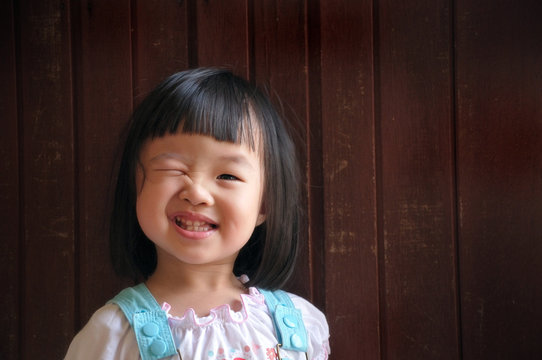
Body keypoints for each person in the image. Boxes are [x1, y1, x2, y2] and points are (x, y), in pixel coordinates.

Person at [65, 68, 330, 359]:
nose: (197, 193)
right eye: (173, 169)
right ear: (135, 185)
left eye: (228, 176)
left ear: (264, 205)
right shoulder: (113, 334)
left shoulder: (297, 325)